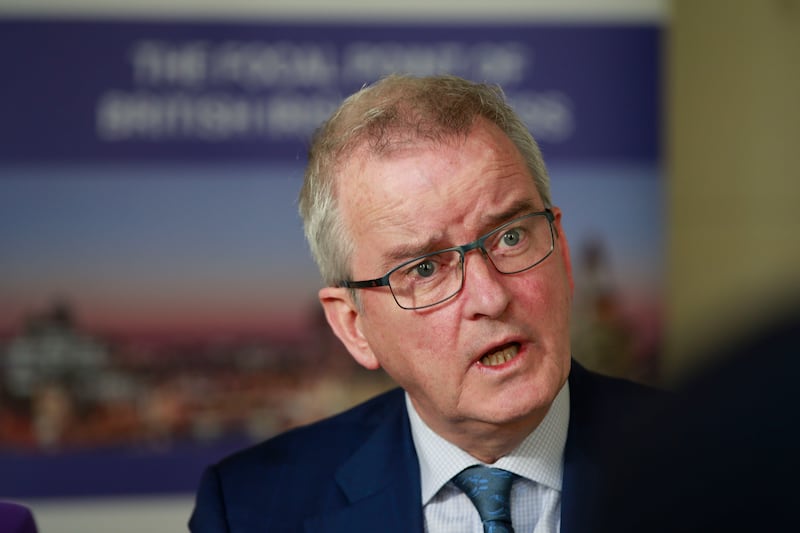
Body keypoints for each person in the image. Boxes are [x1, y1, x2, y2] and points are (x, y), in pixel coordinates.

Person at [189, 74, 662, 533]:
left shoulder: (718, 464)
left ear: (561, 249)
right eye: (425, 269)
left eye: (511, 237)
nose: (490, 298)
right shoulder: (250, 509)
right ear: (353, 325)